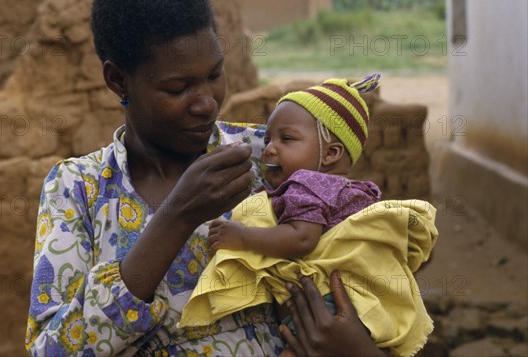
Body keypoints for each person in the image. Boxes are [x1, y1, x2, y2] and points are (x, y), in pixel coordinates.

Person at [25, 0, 388, 356]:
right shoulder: (78, 188)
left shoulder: (268, 159)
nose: (206, 103)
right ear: (118, 80)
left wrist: (360, 350)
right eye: (178, 87)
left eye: (215, 74)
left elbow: (363, 263)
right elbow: (51, 350)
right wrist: (175, 217)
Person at [179, 77, 438, 355]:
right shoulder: (342, 188)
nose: (269, 148)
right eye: (268, 139)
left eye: (286, 138)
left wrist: (243, 237)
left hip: (330, 300)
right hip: (364, 302)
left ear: (331, 154)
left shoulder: (306, 184)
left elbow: (303, 237)